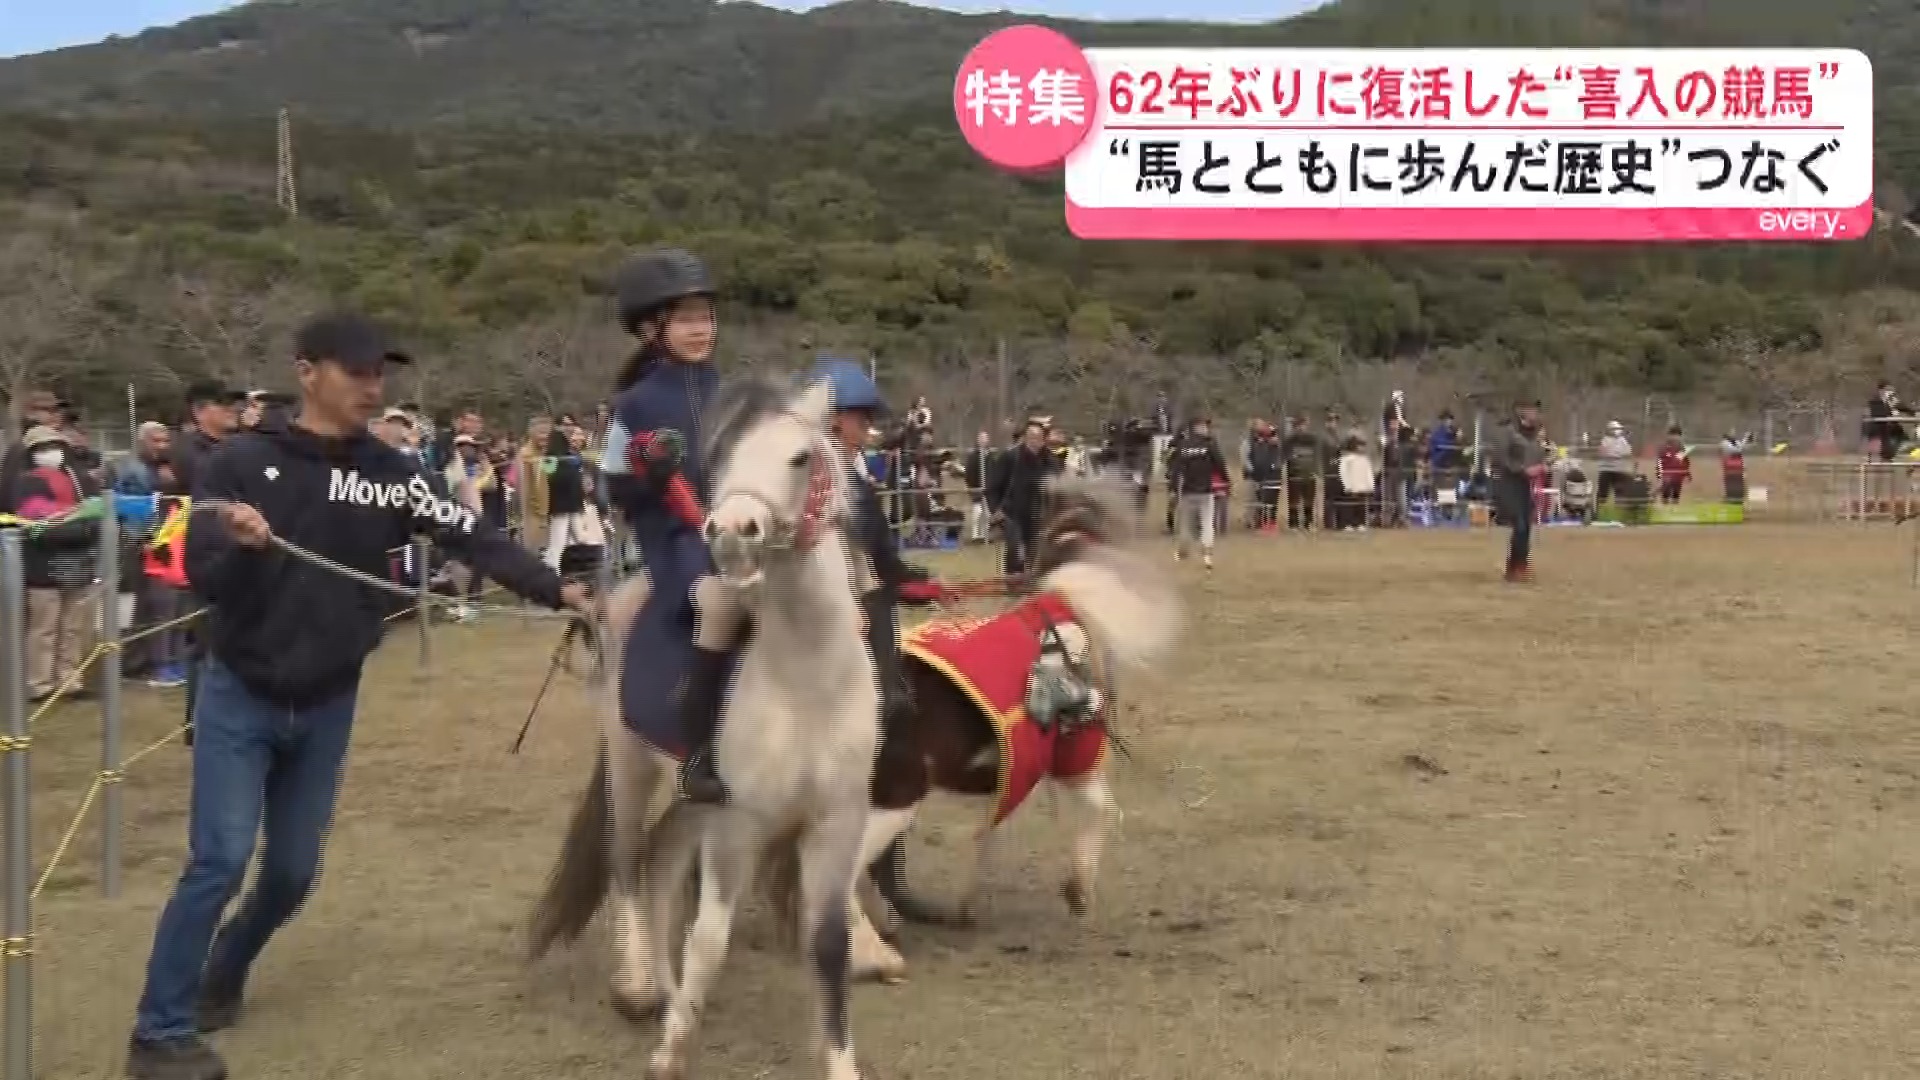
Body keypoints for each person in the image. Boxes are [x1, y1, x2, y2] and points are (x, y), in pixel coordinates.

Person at [125, 312, 589, 1080]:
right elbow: (204, 575)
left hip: (330, 697)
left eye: (381, 373)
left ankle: (224, 970)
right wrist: (239, 548)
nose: (374, 386)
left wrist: (555, 588)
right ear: (308, 371)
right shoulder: (241, 461)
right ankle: (158, 1032)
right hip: (240, 690)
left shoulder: (391, 470)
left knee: (292, 872)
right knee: (221, 857)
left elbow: (470, 535)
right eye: (357, 371)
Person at [598, 248, 736, 804]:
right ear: (654, 329)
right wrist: (647, 474)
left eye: (706, 316)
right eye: (687, 318)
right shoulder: (633, 406)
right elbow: (608, 485)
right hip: (676, 539)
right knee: (717, 601)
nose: (701, 328)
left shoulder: (726, 388)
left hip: (735, 527)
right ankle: (700, 749)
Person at [11, 425, 103, 702]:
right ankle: (39, 683)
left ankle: (70, 680)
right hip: (43, 563)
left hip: (76, 561)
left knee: (73, 626)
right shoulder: (26, 482)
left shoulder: (77, 479)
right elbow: (38, 522)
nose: (49, 453)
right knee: (44, 627)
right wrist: (78, 525)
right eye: (41, 448)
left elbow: (94, 511)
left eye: (53, 446)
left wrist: (82, 524)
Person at [986, 419, 1059, 578]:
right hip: (1011, 511)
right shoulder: (1010, 457)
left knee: (1035, 548)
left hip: (1038, 511)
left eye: (1038, 438)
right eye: (1031, 437)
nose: (1035, 441)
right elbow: (992, 487)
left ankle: (1031, 579)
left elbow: (1057, 488)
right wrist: (995, 509)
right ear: (1025, 438)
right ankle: (1013, 579)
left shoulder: (1050, 461)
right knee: (1015, 546)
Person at [1496, 401, 1548, 583]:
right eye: (1532, 410)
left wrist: (1545, 463)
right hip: (1509, 483)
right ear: (1521, 412)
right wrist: (1522, 470)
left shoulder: (1537, 434)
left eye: (1537, 410)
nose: (1536, 414)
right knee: (1518, 523)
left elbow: (1537, 455)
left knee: (1526, 525)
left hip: (1525, 485)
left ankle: (1521, 564)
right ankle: (1513, 567)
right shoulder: (1509, 431)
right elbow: (1502, 457)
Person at [1166, 416, 1228, 568]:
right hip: (1205, 490)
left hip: (1187, 490)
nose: (1207, 429)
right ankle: (1206, 552)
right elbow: (1219, 463)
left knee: (1186, 524)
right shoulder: (1209, 444)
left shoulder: (1183, 445)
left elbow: (1175, 469)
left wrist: (1173, 488)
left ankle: (1183, 552)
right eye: (1205, 426)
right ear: (1197, 427)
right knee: (1207, 522)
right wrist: (1226, 480)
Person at [172, 382, 245, 502]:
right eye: (223, 403)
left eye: (233, 403)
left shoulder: (238, 444)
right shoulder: (191, 452)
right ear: (198, 411)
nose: (233, 409)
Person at [1595, 420, 1635, 506]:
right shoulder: (1605, 440)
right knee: (1603, 493)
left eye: (1617, 428)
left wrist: (1615, 455)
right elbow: (1603, 453)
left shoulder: (1623, 440)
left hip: (1619, 469)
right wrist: (1616, 455)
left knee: (1620, 492)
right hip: (1606, 469)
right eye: (1613, 429)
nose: (1615, 431)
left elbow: (1627, 453)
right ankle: (1600, 510)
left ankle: (1619, 510)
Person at [1656, 427, 1690, 504]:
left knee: (1665, 491)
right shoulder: (1681, 445)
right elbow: (1684, 461)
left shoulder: (1663, 445)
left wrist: (1658, 474)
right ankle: (1674, 507)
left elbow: (1660, 460)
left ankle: (1665, 505)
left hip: (1666, 471)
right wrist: (1687, 474)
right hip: (1678, 472)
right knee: (1676, 491)